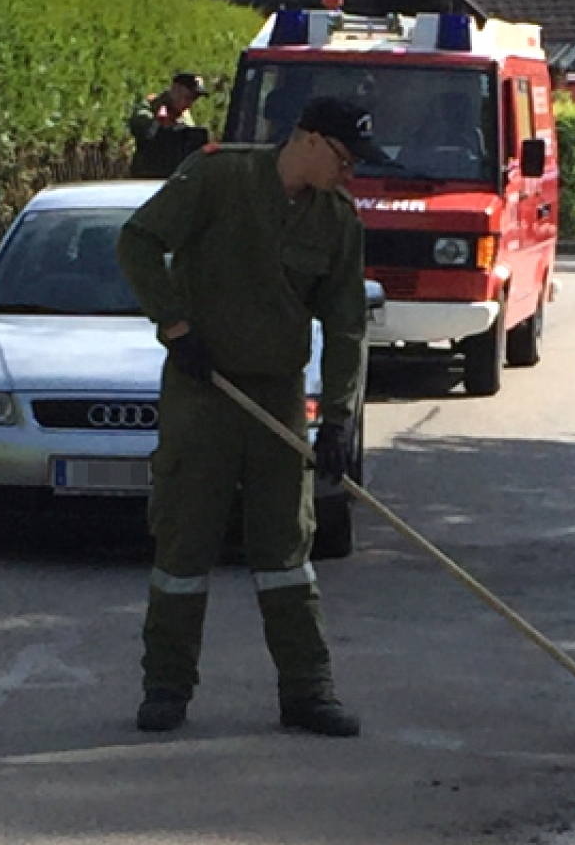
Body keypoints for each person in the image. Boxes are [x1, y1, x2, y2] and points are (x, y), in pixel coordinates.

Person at [115, 96, 379, 738]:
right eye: (342, 159)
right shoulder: (218, 177)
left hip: (277, 397)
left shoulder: (337, 219)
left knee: (287, 547)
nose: (347, 175)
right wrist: (176, 325)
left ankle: (308, 691)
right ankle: (167, 688)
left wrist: (339, 416)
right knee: (184, 540)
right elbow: (139, 243)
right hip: (203, 391)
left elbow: (346, 325)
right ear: (309, 139)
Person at [127, 72, 211, 179]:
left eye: (194, 99)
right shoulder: (148, 108)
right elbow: (141, 128)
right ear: (176, 90)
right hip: (146, 180)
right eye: (188, 97)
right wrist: (159, 121)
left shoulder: (185, 117)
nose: (189, 104)